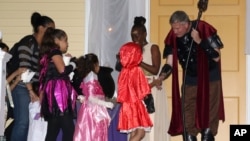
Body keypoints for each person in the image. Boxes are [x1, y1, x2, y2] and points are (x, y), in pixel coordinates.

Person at [158, 10, 225, 141]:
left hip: (210, 77)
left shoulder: (203, 28)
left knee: (208, 124)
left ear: (186, 24)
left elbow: (216, 57)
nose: (175, 31)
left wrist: (200, 41)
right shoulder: (172, 37)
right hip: (190, 79)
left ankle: (207, 135)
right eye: (173, 28)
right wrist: (161, 77)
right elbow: (169, 64)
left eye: (177, 28)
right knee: (187, 121)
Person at [10, 12, 55, 141]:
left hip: (32, 88)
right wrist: (31, 91)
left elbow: (42, 72)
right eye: (50, 29)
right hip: (21, 86)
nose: (52, 32)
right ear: (41, 28)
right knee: (23, 123)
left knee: (28, 123)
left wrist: (39, 92)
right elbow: (24, 69)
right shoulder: (28, 42)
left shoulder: (42, 47)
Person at [131, 16, 170, 141]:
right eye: (132, 36)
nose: (135, 39)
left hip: (152, 87)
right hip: (137, 90)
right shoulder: (132, 49)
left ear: (145, 34)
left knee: (151, 121)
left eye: (137, 35)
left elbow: (155, 69)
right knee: (137, 126)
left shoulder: (153, 47)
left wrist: (139, 61)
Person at [39, 28, 77, 141]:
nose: (67, 44)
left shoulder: (48, 53)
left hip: (53, 94)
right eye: (65, 40)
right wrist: (74, 64)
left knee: (53, 130)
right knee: (69, 130)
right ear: (57, 40)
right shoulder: (55, 52)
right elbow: (62, 70)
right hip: (58, 94)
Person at [117, 42, 155, 141]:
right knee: (140, 133)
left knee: (133, 131)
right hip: (136, 104)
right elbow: (144, 88)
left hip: (126, 105)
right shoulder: (137, 70)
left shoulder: (124, 71)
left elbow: (122, 89)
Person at [73, 53, 114, 141]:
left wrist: (83, 98)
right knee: (95, 134)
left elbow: (88, 96)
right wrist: (105, 103)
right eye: (98, 64)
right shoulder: (92, 76)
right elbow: (91, 97)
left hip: (89, 109)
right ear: (94, 65)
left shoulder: (86, 76)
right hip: (94, 111)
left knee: (87, 134)